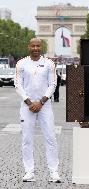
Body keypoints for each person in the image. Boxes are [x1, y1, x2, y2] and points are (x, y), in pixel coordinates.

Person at [15, 38, 61, 183]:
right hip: (26, 106)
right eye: (33, 46)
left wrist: (41, 102)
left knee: (51, 139)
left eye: (38, 46)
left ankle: (54, 172)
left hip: (44, 106)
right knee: (26, 140)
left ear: (41, 47)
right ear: (29, 47)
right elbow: (18, 84)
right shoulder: (21, 63)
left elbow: (53, 84)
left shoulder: (49, 63)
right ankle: (29, 172)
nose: (35, 48)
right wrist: (29, 102)